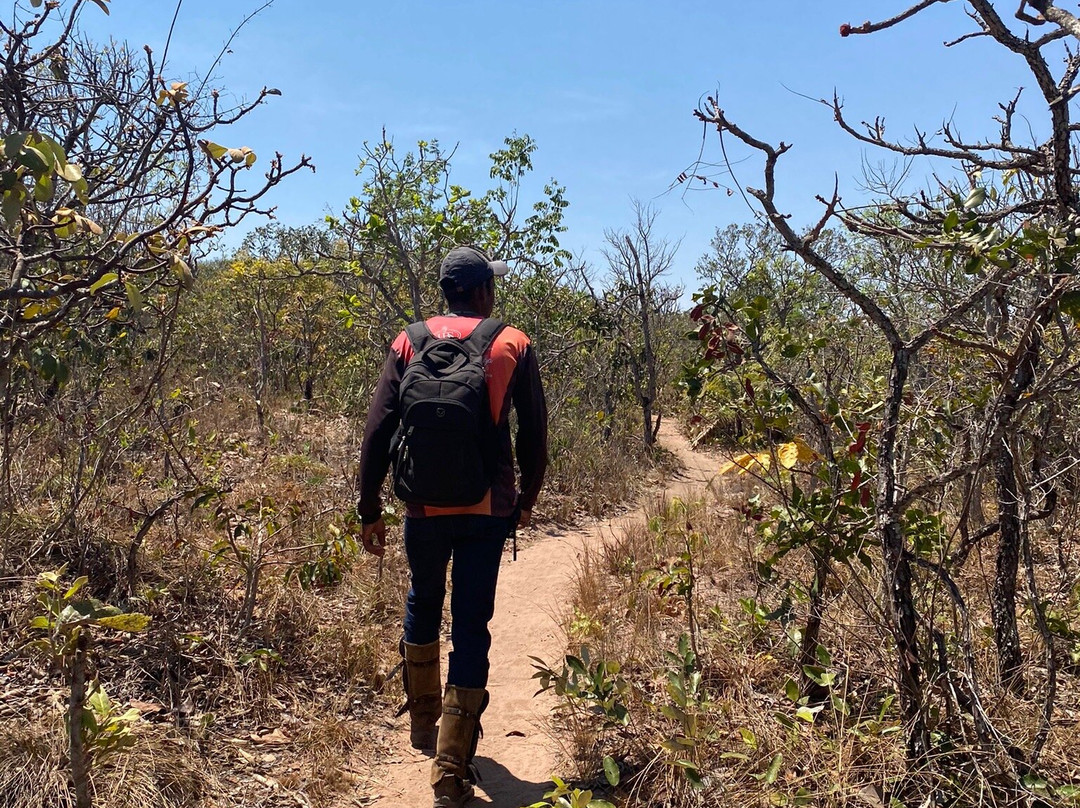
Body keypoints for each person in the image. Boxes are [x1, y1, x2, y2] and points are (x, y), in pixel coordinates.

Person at [356, 245, 548, 808]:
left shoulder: (408, 340)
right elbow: (533, 437)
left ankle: (422, 723)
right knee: (471, 621)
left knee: (422, 599)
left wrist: (369, 508)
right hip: (487, 510)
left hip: (421, 506)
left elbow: (378, 432)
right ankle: (451, 765)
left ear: (445, 290)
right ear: (485, 290)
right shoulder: (512, 343)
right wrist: (528, 498)